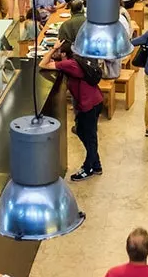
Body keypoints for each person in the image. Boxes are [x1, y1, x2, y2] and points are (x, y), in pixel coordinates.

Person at [41, 40, 105, 181]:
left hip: (89, 105)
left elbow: (43, 64)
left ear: (63, 53)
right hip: (94, 101)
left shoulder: (69, 64)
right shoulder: (76, 60)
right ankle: (96, 164)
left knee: (89, 136)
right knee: (84, 132)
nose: (57, 54)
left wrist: (53, 49)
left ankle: (88, 168)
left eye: (59, 52)